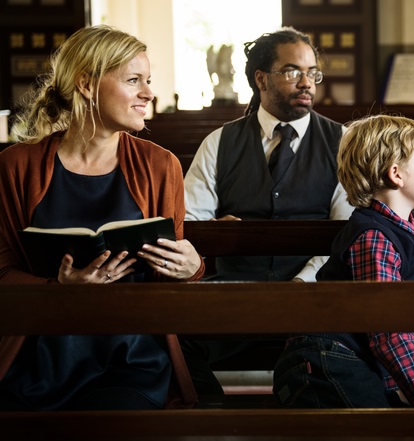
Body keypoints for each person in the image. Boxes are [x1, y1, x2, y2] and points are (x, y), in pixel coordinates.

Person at [0, 25, 205, 411]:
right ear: (87, 85)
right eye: (133, 80)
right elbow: (2, 271)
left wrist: (191, 267)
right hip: (39, 351)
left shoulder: (161, 166)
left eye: (148, 80)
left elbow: (175, 278)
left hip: (132, 354)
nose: (148, 93)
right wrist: (57, 287)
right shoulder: (15, 167)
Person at [181, 27, 353, 395]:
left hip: (314, 296)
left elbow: (347, 232)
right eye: (293, 71)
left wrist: (302, 284)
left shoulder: (342, 143)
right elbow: (187, 224)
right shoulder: (220, 142)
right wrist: (213, 230)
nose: (307, 82)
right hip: (234, 293)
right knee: (166, 337)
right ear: (261, 78)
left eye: (313, 73)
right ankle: (212, 419)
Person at [272, 114, 414, 408]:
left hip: (343, 359)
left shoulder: (402, 227)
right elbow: (389, 334)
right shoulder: (375, 238)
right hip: (322, 361)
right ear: (396, 174)